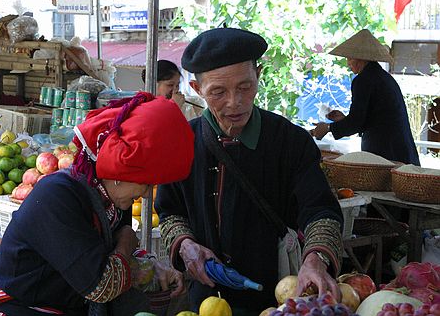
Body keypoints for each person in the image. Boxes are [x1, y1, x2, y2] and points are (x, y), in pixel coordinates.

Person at [155, 28, 344, 313]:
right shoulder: (182, 142)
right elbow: (170, 214)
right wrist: (185, 245)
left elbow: (321, 211)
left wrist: (316, 258)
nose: (235, 102)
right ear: (197, 90)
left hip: (279, 299)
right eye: (218, 92)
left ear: (259, 74)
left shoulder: (290, 141)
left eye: (245, 86)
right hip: (205, 301)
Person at [0, 92, 195, 315]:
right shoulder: (58, 197)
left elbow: (109, 254)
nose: (145, 194)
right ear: (119, 172)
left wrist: (153, 265)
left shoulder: (110, 200)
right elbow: (101, 286)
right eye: (145, 184)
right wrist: (126, 243)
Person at [311, 29, 420, 166]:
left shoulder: (364, 80)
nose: (348, 63)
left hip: (386, 152)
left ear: (361, 58)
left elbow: (356, 122)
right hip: (398, 150)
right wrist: (344, 120)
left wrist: (327, 128)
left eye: (350, 58)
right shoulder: (382, 77)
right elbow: (368, 119)